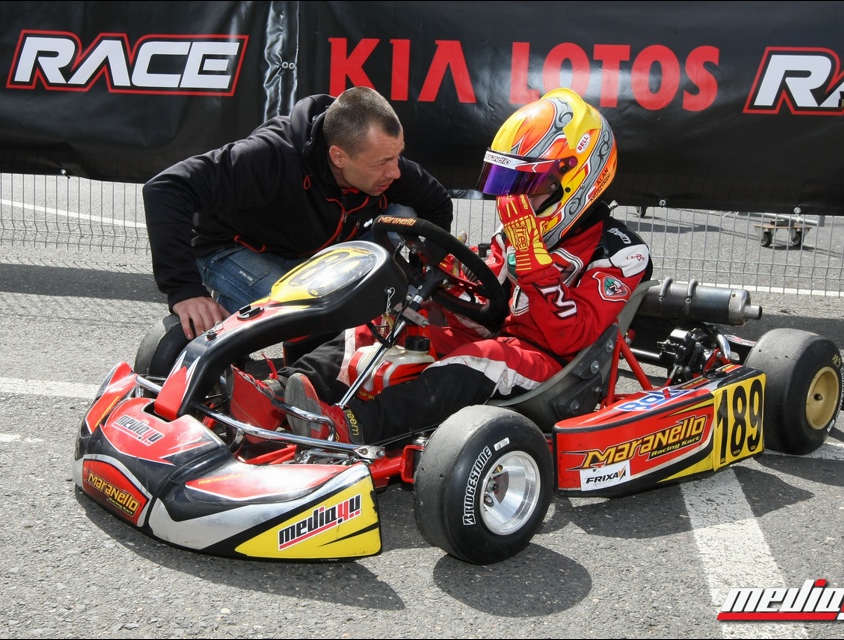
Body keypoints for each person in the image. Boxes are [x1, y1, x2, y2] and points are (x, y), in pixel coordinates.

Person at [248, 88, 652, 444]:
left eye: (526, 186)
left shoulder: (621, 253)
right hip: (500, 341)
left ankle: (353, 426)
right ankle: (273, 396)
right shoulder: (518, 232)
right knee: (387, 327)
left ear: (576, 181)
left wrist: (533, 265)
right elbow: (489, 308)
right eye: (509, 183)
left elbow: (570, 339)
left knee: (480, 359)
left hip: (555, 369)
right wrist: (440, 285)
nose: (512, 198)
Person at [142, 86, 455, 352]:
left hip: (312, 253)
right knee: (322, 318)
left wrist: (419, 275)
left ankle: (308, 325)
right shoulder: (269, 156)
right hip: (234, 249)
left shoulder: (381, 161)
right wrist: (184, 290)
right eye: (384, 162)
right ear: (338, 156)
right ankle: (237, 323)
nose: (396, 171)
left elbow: (437, 205)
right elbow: (167, 188)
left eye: (398, 155)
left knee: (404, 216)